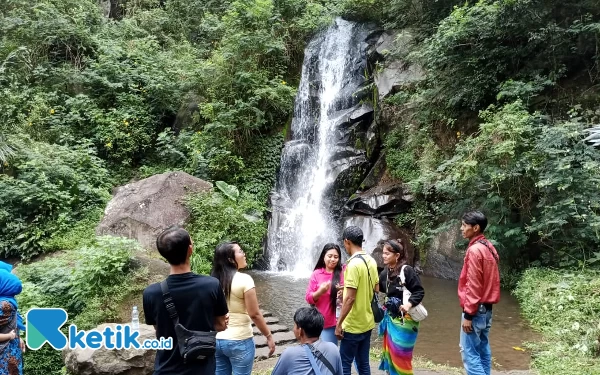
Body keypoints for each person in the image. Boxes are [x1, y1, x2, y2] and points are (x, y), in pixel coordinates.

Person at [143, 226, 229, 375]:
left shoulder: (151, 293)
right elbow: (221, 325)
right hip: (202, 369)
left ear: (164, 255)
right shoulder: (211, 285)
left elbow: (159, 330)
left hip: (166, 369)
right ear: (190, 250)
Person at [211, 241, 275, 375]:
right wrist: (268, 336)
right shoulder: (245, 280)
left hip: (217, 340)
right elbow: (255, 314)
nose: (244, 254)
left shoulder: (212, 280)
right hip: (240, 340)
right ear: (230, 259)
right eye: (240, 251)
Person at [458, 211, 500, 375]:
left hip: (475, 310)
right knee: (482, 349)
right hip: (487, 309)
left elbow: (473, 285)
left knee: (470, 354)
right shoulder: (489, 247)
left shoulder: (475, 250)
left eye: (464, 225)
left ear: (475, 228)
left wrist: (468, 315)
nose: (461, 229)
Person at [335, 226, 379, 375]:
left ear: (347, 242)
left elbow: (350, 299)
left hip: (353, 324)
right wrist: (346, 288)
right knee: (363, 363)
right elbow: (376, 288)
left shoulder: (353, 264)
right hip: (367, 321)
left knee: (345, 363)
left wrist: (339, 323)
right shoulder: (371, 260)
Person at [378, 239, 425, 375]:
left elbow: (419, 291)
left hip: (406, 320)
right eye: (383, 253)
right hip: (390, 319)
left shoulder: (407, 271)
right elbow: (378, 287)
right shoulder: (385, 273)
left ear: (397, 255)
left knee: (401, 355)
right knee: (391, 355)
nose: (384, 256)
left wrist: (408, 304)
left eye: (387, 253)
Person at [271, 307, 343, 375]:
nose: (294, 329)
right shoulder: (333, 348)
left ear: (300, 331)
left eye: (295, 325)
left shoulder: (289, 354)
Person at [305, 243, 345, 345]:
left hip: (341, 321)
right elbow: (308, 298)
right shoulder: (317, 274)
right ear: (323, 256)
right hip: (323, 322)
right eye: (329, 256)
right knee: (324, 353)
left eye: (336, 257)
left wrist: (343, 291)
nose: (332, 259)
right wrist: (320, 292)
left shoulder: (343, 272)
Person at [0, 264, 26, 375]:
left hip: (4, 356)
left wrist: (11, 336)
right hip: (10, 351)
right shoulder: (8, 300)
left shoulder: (4, 305)